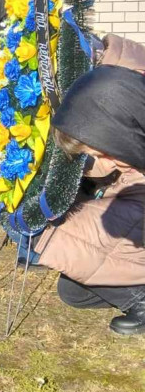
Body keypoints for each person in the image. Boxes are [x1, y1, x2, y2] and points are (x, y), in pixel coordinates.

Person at [27, 66, 145, 336]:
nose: (100, 162)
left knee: (82, 246)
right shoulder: (133, 143)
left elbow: (108, 228)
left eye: (101, 152)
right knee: (73, 290)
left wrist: (34, 218)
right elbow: (102, 168)